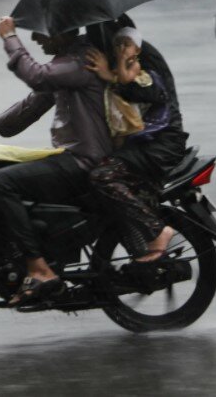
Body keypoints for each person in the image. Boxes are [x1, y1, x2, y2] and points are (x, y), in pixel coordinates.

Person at [0, 16, 112, 306]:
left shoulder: (79, 61)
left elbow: (37, 77)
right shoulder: (66, 63)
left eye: (40, 34)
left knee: (2, 183)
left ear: (61, 32)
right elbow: (33, 103)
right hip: (74, 156)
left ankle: (39, 268)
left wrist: (10, 37)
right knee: (1, 172)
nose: (36, 40)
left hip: (84, 161)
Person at [85, 26, 189, 262]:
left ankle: (156, 230)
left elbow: (148, 91)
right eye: (117, 45)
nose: (120, 48)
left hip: (159, 145)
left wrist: (110, 73)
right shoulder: (126, 58)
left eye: (124, 44)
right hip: (144, 144)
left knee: (102, 176)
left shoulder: (143, 63)